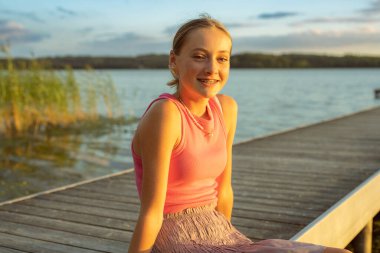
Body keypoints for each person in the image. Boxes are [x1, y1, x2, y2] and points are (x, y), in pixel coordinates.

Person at [127, 15, 351, 253]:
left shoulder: (226, 108)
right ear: (174, 61)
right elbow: (151, 211)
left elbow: (224, 190)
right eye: (199, 56)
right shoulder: (167, 114)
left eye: (222, 59)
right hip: (176, 236)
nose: (212, 69)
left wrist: (231, 241)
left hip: (219, 230)